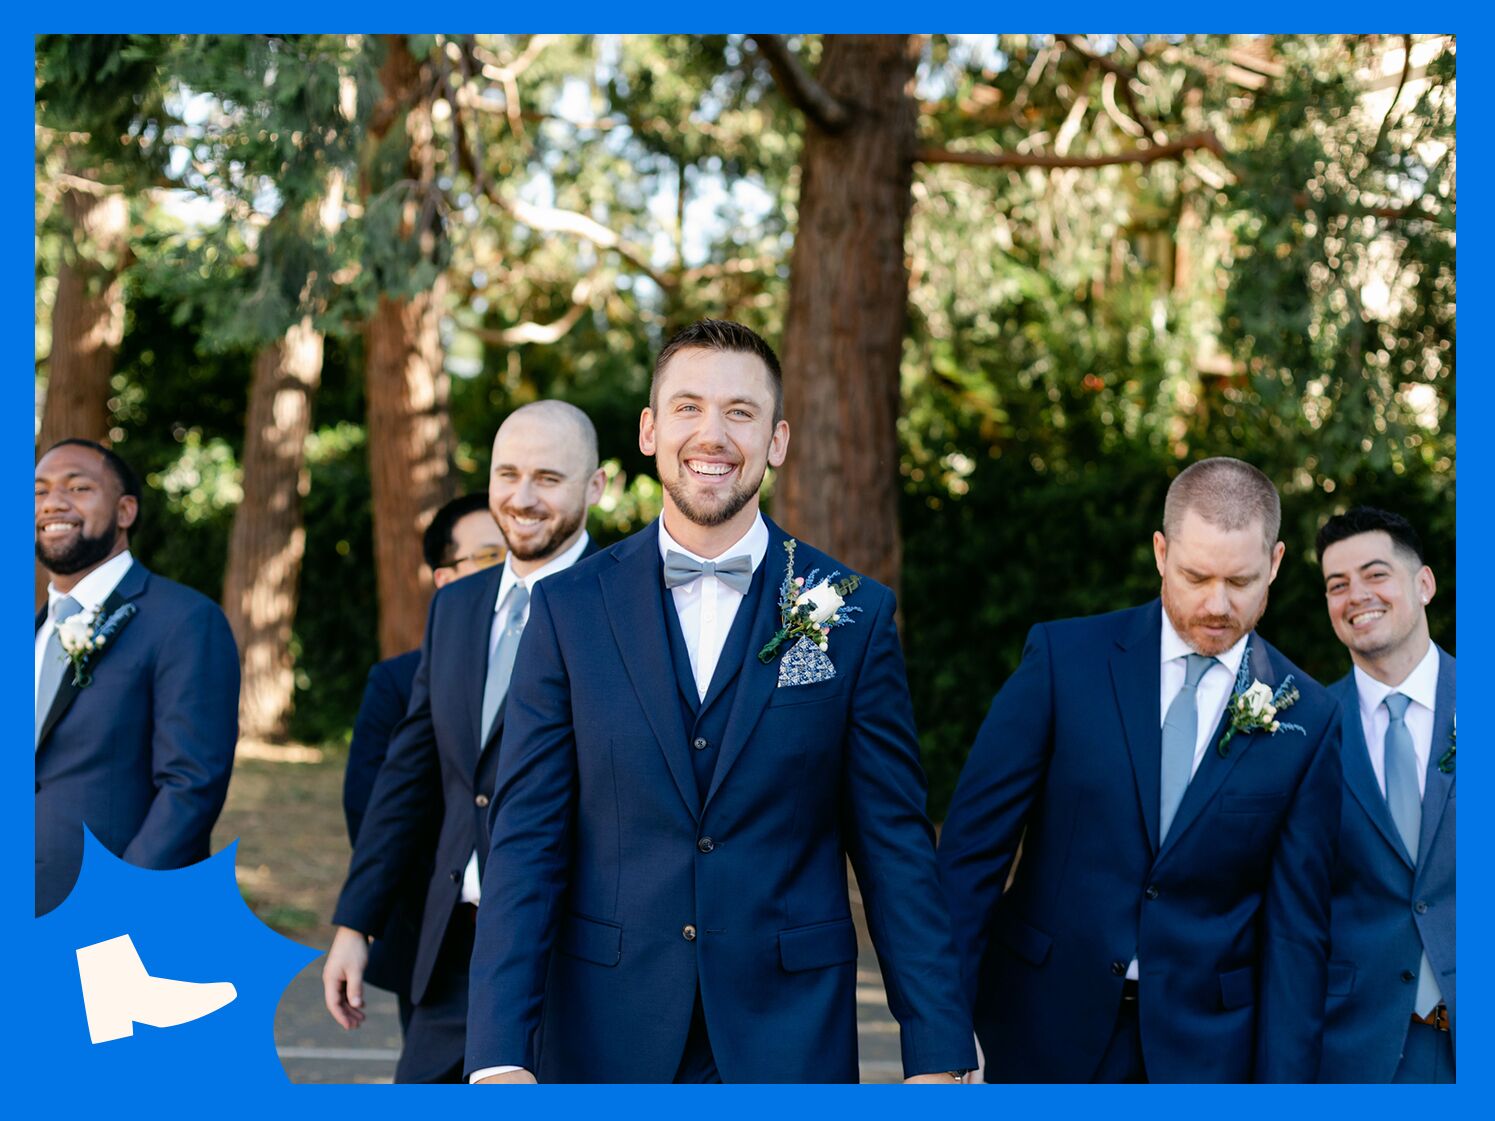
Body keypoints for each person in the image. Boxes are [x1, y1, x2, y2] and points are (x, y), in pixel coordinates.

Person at [466, 319, 974, 1085]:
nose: (712, 434)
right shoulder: (569, 608)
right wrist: (498, 1052)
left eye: (740, 411)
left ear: (776, 440)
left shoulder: (849, 611)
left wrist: (937, 1050)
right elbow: (526, 841)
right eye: (688, 407)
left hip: (788, 1037)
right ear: (649, 431)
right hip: (606, 1031)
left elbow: (894, 847)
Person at [938, 456, 1341, 1083]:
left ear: (1276, 563)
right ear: (1160, 552)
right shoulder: (1064, 661)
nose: (1217, 604)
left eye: (1240, 581)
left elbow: (1296, 936)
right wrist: (941, 1034)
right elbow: (970, 859)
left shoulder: (1309, 716)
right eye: (1196, 576)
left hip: (1206, 1057)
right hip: (1038, 1030)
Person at [323, 402, 604, 1083]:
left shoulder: (626, 602)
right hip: (453, 951)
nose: (522, 497)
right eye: (508, 474)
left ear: (595, 486)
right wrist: (356, 923)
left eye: (548, 478)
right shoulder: (456, 605)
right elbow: (408, 776)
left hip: (579, 960)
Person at [35, 439, 239, 916]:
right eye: (39, 491)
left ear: (125, 511)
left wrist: (121, 904)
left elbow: (191, 785)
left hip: (108, 919)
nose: (53, 503)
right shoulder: (30, 631)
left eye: (78, 487)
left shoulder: (183, 620)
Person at [341, 491, 506, 1034]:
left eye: (511, 552)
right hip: (438, 936)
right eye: (488, 556)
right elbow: (374, 808)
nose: (506, 568)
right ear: (445, 580)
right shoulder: (397, 681)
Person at [1315, 507, 1454, 1083]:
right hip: (1357, 1053)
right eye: (1337, 585)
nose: (1356, 596)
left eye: (1375, 574)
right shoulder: (1307, 730)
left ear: (1423, 584)